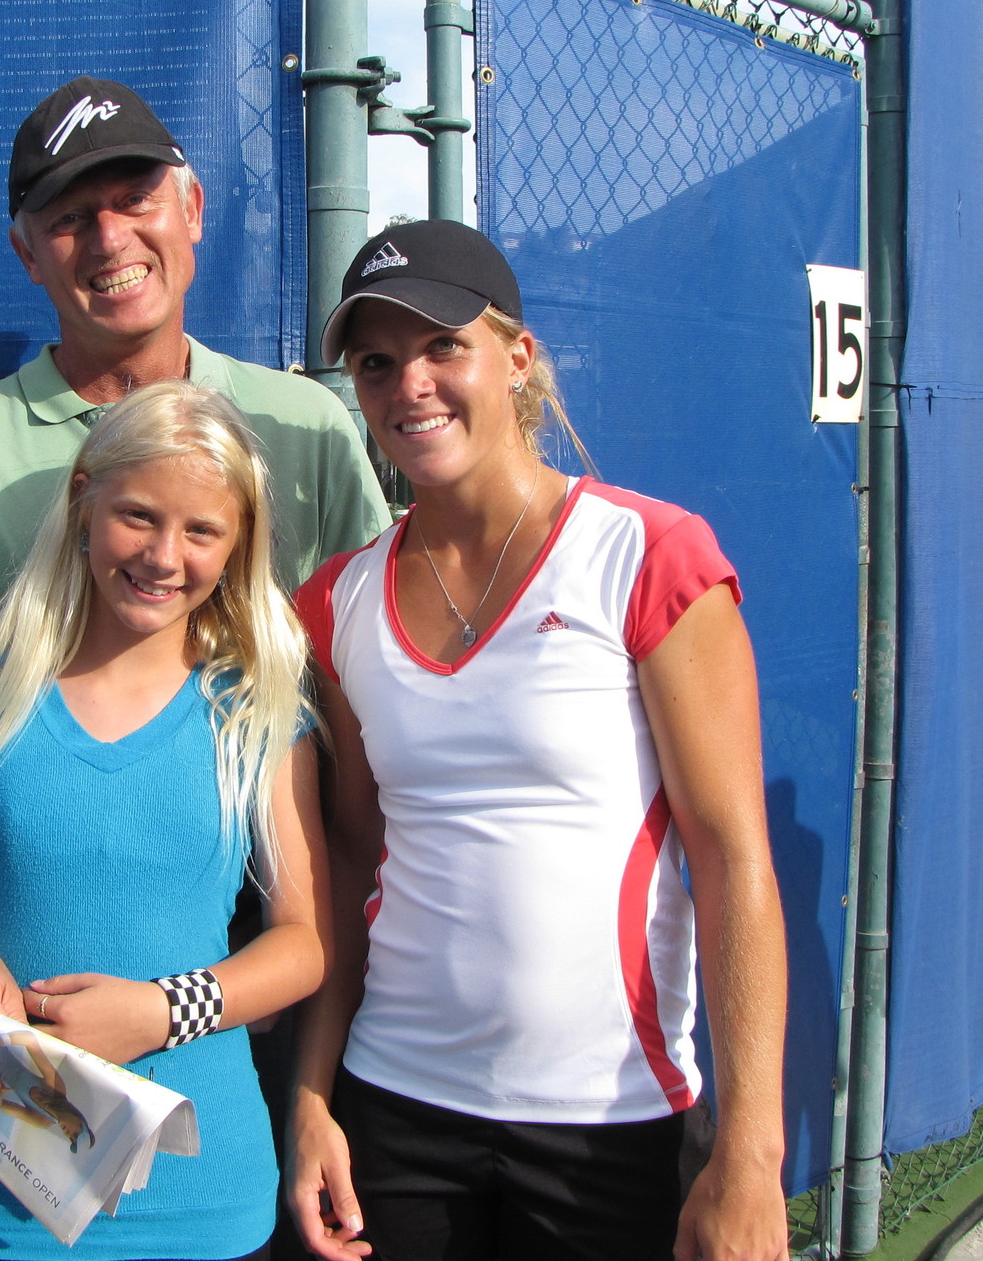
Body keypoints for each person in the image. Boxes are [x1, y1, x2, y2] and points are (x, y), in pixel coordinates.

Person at [0, 78, 387, 1238]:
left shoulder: (308, 434)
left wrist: (311, 1090)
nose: (110, 238)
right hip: (17, 1148)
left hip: (241, 1096)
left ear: (194, 206)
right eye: (71, 217)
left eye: (134, 198)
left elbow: (354, 783)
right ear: (25, 251)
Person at [284, 222, 789, 1261]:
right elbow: (345, 856)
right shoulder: (334, 602)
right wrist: (311, 1092)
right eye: (376, 363)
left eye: (439, 348)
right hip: (394, 1109)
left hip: (609, 1127)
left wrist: (748, 1156)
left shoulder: (648, 555)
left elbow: (731, 855)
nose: (409, 385)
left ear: (514, 359)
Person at [0, 380, 331, 1261]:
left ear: (238, 548)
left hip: (210, 1204)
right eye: (139, 516)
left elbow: (304, 945)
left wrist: (165, 1010)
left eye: (202, 532)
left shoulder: (258, 713)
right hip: (3, 1199)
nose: (165, 556)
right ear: (84, 498)